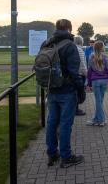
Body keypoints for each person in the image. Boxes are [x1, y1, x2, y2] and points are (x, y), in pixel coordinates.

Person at [44, 19, 85, 168]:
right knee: (65, 124)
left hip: (51, 90)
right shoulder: (70, 46)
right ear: (69, 29)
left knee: (51, 123)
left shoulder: (48, 43)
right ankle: (66, 157)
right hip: (66, 91)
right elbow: (75, 73)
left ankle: (52, 154)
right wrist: (81, 89)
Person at [87, 41, 108, 126]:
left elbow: (89, 71)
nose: (104, 47)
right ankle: (96, 119)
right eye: (103, 46)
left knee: (98, 101)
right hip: (104, 80)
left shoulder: (91, 56)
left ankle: (101, 120)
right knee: (100, 101)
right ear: (101, 48)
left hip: (95, 81)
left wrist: (89, 83)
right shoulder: (106, 57)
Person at [74, 35, 87, 116]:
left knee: (74, 93)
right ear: (80, 42)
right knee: (79, 93)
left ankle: (74, 109)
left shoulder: (72, 48)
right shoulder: (80, 50)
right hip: (79, 74)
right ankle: (76, 110)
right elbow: (83, 64)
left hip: (74, 74)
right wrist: (86, 74)